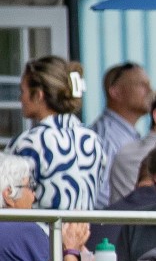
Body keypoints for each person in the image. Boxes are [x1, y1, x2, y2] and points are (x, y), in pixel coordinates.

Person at [8, 56, 105, 212]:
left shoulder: (29, 142)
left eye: (22, 91)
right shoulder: (93, 140)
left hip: (41, 228)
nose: (20, 98)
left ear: (38, 95)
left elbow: (8, 197)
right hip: (83, 228)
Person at [90, 61, 151, 207]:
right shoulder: (107, 137)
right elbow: (98, 193)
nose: (150, 90)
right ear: (116, 92)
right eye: (141, 85)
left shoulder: (124, 134)